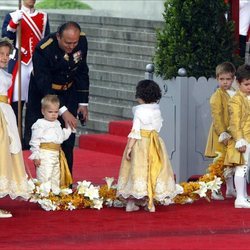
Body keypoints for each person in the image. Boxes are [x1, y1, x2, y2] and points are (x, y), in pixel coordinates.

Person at [24, 21, 90, 177]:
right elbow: (44, 85)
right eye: (67, 43)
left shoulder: (82, 41)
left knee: (67, 140)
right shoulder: (43, 49)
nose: (71, 46)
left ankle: (66, 184)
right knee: (44, 140)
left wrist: (83, 102)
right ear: (58, 37)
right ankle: (45, 184)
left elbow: (81, 71)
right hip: (44, 95)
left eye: (74, 43)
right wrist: (62, 111)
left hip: (69, 91)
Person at [116, 79, 177, 212]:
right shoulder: (157, 110)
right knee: (152, 169)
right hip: (154, 143)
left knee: (137, 170)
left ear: (140, 96)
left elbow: (135, 131)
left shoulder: (139, 111)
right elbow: (158, 127)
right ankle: (149, 199)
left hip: (140, 143)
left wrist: (130, 147)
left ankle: (131, 202)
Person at [1, 0, 50, 143]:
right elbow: (5, 39)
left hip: (36, 65)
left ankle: (30, 140)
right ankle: (14, 138)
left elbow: (46, 41)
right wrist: (13, 23)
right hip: (19, 63)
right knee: (15, 101)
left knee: (34, 103)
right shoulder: (12, 15)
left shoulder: (44, 16)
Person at [0, 37, 30, 218]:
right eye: (1, 54)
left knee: (6, 155)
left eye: (7, 54)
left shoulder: (5, 74)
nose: (4, 57)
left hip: (6, 113)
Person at [205, 62, 237, 200]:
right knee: (218, 163)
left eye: (228, 79)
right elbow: (217, 116)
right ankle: (214, 189)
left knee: (230, 162)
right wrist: (222, 132)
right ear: (217, 79)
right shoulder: (217, 96)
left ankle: (230, 189)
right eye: (222, 79)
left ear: (233, 79)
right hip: (220, 134)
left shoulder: (235, 93)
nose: (225, 82)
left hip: (233, 134)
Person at [29, 94, 73, 191]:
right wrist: (36, 156)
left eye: (56, 112)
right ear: (43, 111)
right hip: (45, 154)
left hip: (56, 154)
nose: (54, 114)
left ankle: (54, 197)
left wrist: (68, 128)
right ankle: (44, 198)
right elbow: (34, 141)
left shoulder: (57, 123)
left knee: (55, 176)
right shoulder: (40, 124)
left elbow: (61, 137)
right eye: (50, 112)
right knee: (45, 175)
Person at [224, 64, 250, 208]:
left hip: (249, 137)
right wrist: (239, 139)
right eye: (246, 84)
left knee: (246, 168)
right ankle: (239, 198)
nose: (249, 87)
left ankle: (244, 196)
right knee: (242, 167)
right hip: (242, 139)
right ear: (238, 83)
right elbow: (234, 122)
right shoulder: (235, 100)